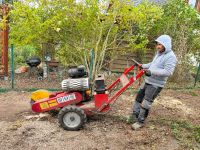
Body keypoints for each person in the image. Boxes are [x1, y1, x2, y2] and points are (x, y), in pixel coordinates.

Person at [131, 35, 177, 130]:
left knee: (146, 103)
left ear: (166, 45)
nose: (158, 46)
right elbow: (152, 64)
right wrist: (142, 65)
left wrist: (151, 72)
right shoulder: (159, 54)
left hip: (156, 84)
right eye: (157, 44)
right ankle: (135, 115)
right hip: (148, 80)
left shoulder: (171, 57)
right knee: (138, 98)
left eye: (160, 44)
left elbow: (168, 72)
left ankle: (140, 121)